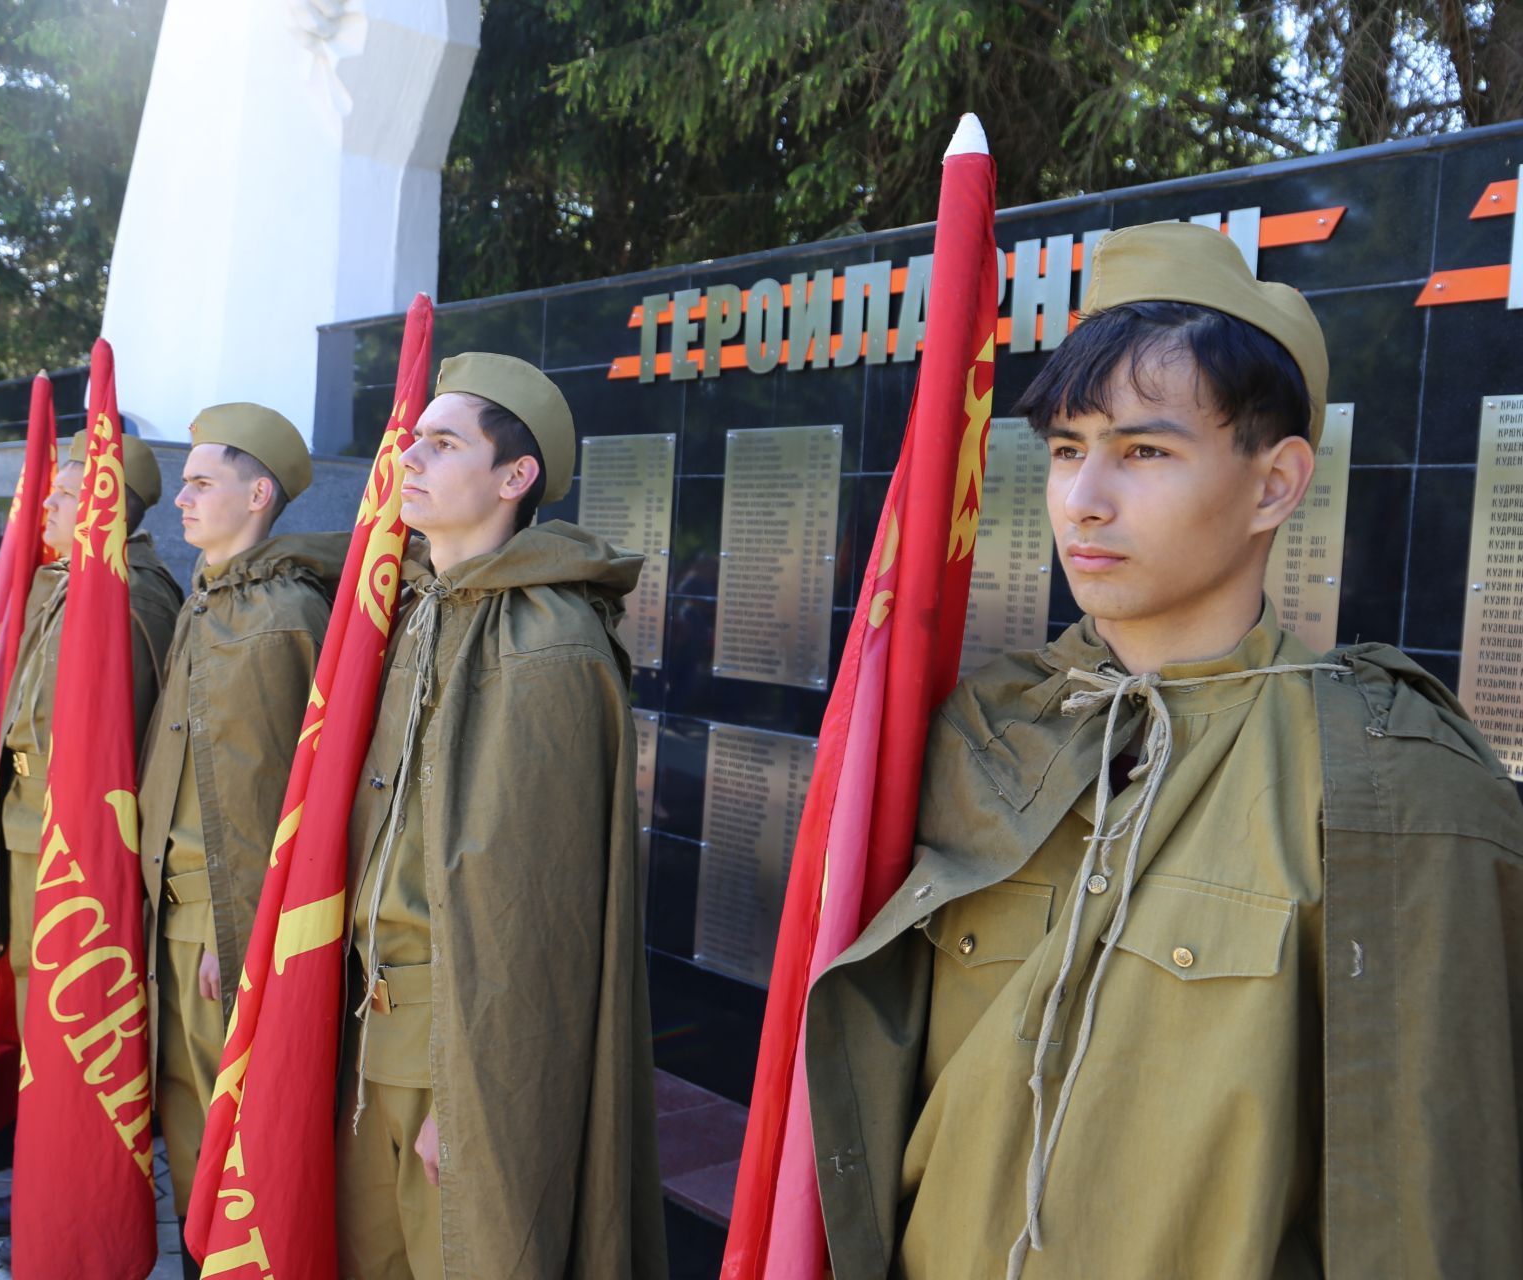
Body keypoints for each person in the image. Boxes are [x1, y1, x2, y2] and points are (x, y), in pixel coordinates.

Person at [802, 221, 1523, 1279]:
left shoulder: (1389, 779)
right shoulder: (990, 733)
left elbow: (1433, 1202)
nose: (1082, 499)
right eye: (1063, 449)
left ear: (1275, 483)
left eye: (1143, 450)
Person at [335, 353, 667, 1279]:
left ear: (514, 478)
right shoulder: (418, 614)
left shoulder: (549, 644)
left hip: (463, 1054)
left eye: (443, 443)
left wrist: (475, 1098)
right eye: (412, 440)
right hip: (375, 1033)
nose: (411, 458)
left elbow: (536, 919)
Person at [0, 430, 182, 1254]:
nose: (42, 509)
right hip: (22, 833)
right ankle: (42, 1186)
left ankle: (72, 1213)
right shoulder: (60, 583)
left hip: (77, 859)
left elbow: (111, 761)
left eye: (60, 495)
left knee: (72, 1033)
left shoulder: (131, 597)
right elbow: (16, 726)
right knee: (35, 1030)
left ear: (102, 503)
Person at [132, 403, 339, 1264]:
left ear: (258, 495)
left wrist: (241, 923)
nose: (180, 499)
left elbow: (293, 797)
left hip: (226, 927)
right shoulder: (209, 600)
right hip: (170, 915)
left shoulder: (284, 615)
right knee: (185, 1118)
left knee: (237, 1131)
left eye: (201, 482)